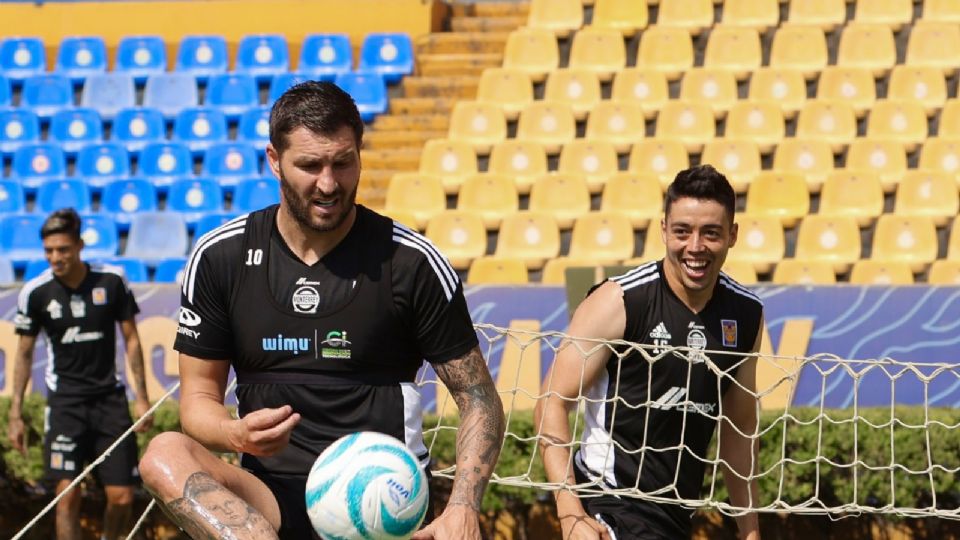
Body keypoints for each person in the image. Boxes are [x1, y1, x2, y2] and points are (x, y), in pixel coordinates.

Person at [138, 81, 506, 540]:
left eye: (342, 163)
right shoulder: (221, 258)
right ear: (274, 160)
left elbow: (479, 397)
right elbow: (196, 402)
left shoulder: (410, 262)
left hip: (384, 504)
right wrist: (236, 435)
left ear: (360, 153)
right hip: (268, 497)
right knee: (164, 453)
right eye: (310, 166)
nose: (328, 184)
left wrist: (463, 507)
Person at [535, 165, 764, 540]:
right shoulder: (619, 300)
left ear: (732, 236)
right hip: (608, 504)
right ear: (663, 231)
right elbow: (551, 402)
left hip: (674, 519)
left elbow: (739, 430)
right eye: (682, 231)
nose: (695, 247)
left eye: (711, 233)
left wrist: (750, 532)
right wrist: (570, 515)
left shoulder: (745, 315)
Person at [7, 208, 152, 540]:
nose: (55, 257)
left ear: (80, 245)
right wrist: (15, 412)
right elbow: (24, 354)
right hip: (65, 405)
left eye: (63, 249)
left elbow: (131, 339)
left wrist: (141, 398)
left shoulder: (111, 281)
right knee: (66, 494)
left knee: (122, 496)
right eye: (49, 251)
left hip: (110, 402)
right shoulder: (36, 292)